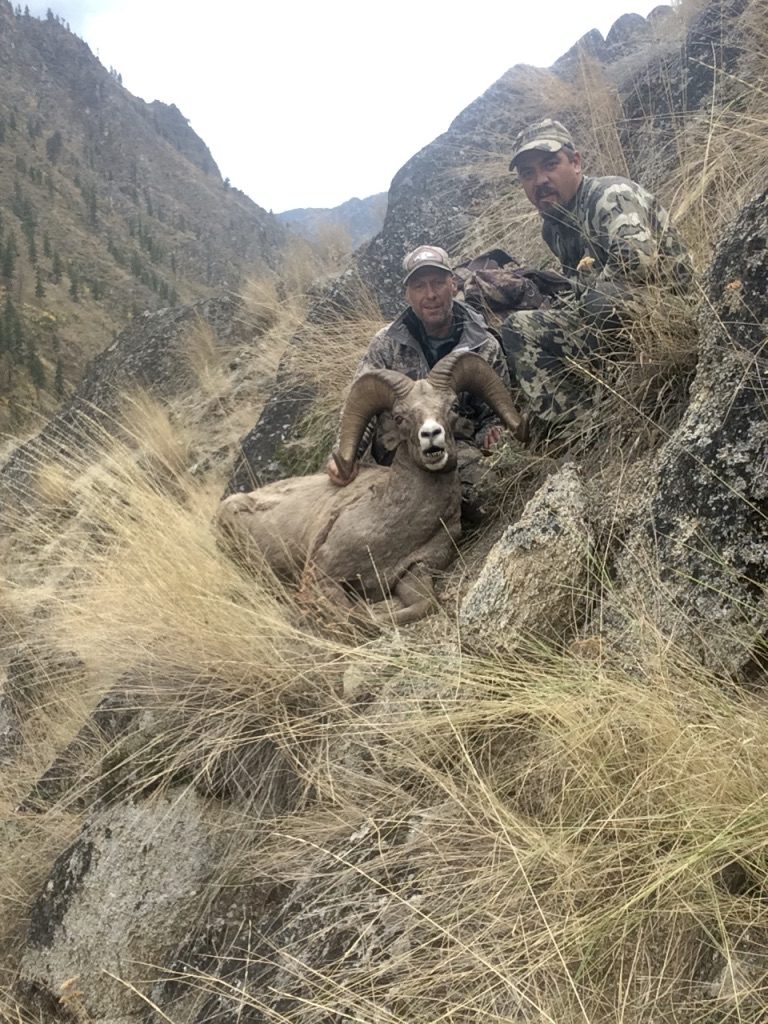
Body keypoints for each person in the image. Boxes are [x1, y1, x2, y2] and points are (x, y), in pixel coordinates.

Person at [502, 118, 693, 428]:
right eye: (528, 174)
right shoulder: (554, 228)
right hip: (614, 319)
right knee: (519, 328)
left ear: (576, 162)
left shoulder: (609, 194)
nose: (540, 181)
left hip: (669, 314)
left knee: (601, 300)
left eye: (550, 164)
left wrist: (578, 298)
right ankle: (582, 425)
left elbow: (637, 267)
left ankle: (632, 396)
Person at [326, 244, 513, 520]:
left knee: (489, 495)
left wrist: (494, 430)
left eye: (438, 283)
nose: (431, 294)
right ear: (407, 295)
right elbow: (359, 405)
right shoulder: (386, 345)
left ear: (453, 285)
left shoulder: (482, 344)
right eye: (419, 286)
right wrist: (344, 455)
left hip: (454, 451)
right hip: (397, 454)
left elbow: (498, 411)